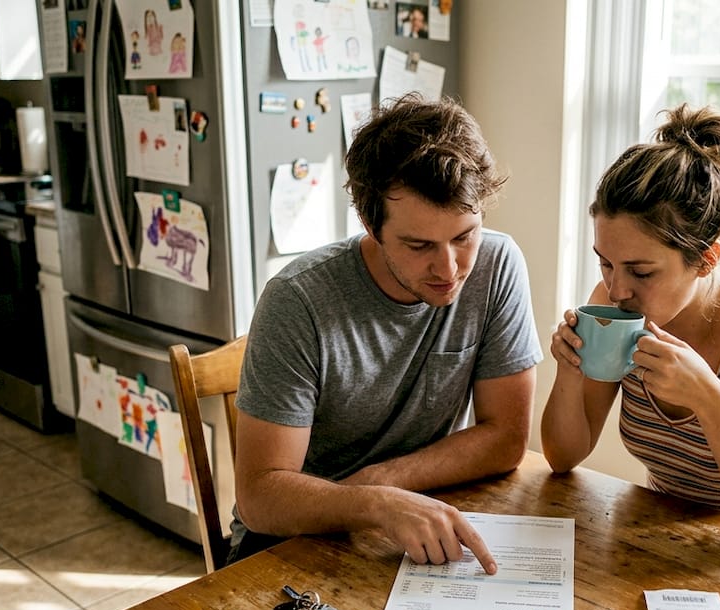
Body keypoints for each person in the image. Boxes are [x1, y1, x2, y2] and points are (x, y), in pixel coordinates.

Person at [229, 95, 543, 572]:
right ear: (369, 224)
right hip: (289, 541)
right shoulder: (298, 300)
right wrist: (376, 504)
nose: (450, 268)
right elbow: (259, 498)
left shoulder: (498, 265)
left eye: (464, 236)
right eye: (419, 245)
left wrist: (384, 484)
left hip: (410, 514)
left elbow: (504, 439)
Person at [540, 103, 720, 552]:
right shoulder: (612, 306)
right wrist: (570, 370)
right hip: (671, 539)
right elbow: (563, 456)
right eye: (605, 262)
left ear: (706, 259)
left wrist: (709, 398)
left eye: (641, 271)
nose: (616, 290)